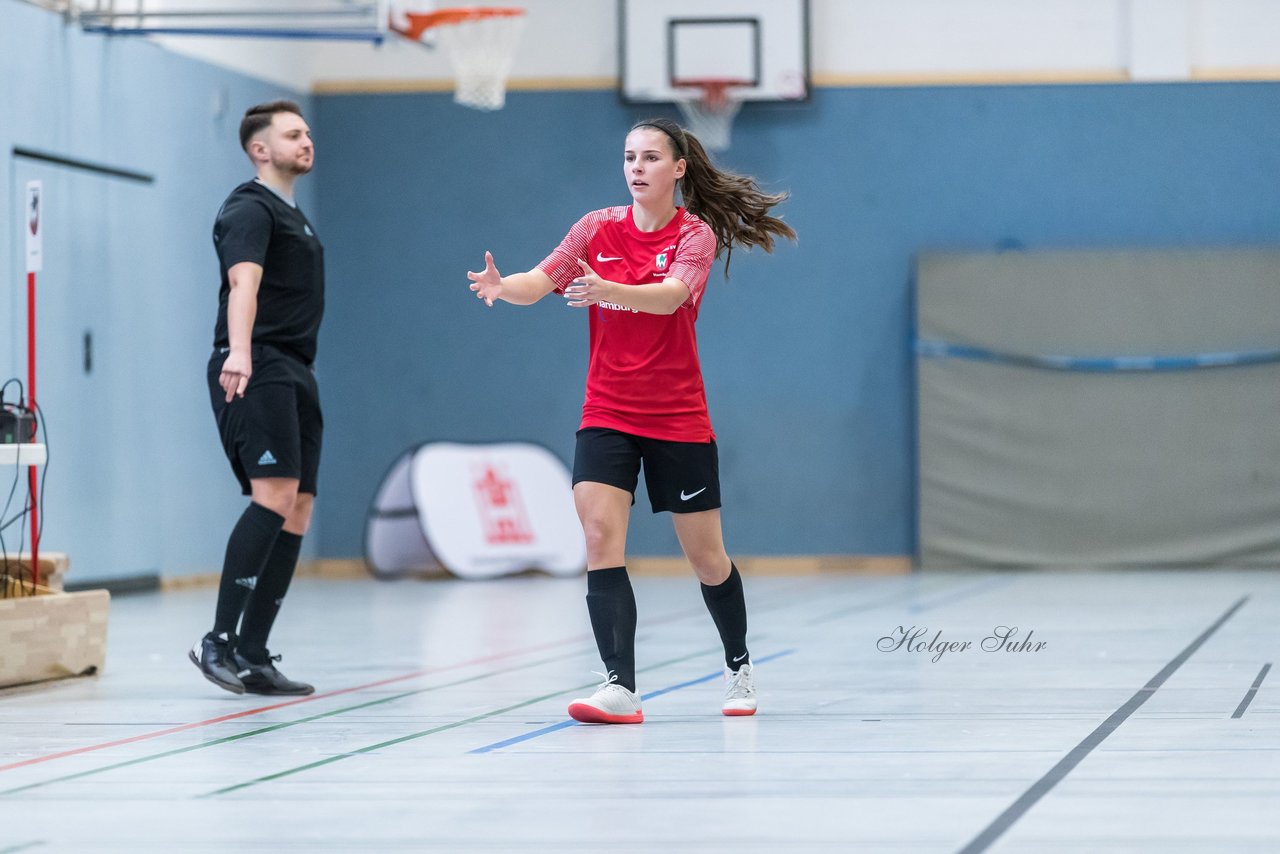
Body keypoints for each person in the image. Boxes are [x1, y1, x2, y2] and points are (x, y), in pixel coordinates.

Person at [467, 117, 796, 723]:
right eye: (628, 157)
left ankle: (738, 666)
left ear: (678, 169)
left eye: (649, 157)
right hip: (608, 409)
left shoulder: (694, 235)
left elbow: (672, 296)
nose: (637, 167)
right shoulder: (595, 228)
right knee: (598, 537)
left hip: (677, 415)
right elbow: (540, 282)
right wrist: (502, 285)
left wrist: (608, 289)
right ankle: (619, 686)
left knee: (707, 557)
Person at [191, 100, 324, 696]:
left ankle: (252, 651)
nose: (306, 141)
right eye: (293, 134)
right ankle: (216, 640)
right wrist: (239, 352)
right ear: (259, 149)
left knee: (298, 506)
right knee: (273, 496)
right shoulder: (249, 207)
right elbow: (242, 282)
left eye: (307, 133)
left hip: (295, 369)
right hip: (257, 362)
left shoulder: (296, 216)